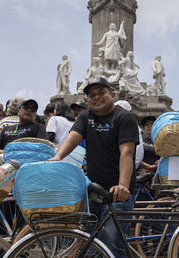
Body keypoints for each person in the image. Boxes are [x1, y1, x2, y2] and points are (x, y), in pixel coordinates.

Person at [51, 77, 139, 258]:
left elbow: (127, 153)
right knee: (91, 245)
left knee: (111, 245)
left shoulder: (123, 117)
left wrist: (123, 185)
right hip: (93, 190)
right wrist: (57, 157)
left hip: (117, 193)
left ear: (112, 95)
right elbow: (74, 137)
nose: (96, 97)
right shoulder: (85, 116)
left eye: (101, 93)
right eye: (91, 95)